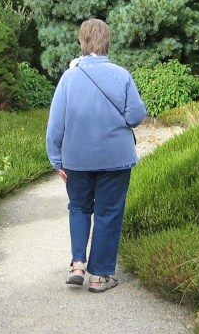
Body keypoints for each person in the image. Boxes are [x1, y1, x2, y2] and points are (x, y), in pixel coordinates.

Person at [46, 18, 147, 292]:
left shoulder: (68, 78)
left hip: (76, 159)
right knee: (108, 212)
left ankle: (77, 264)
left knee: (79, 207)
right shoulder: (122, 75)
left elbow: (56, 124)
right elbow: (136, 115)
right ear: (107, 41)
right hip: (115, 158)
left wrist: (57, 160)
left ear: (82, 42)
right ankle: (99, 276)